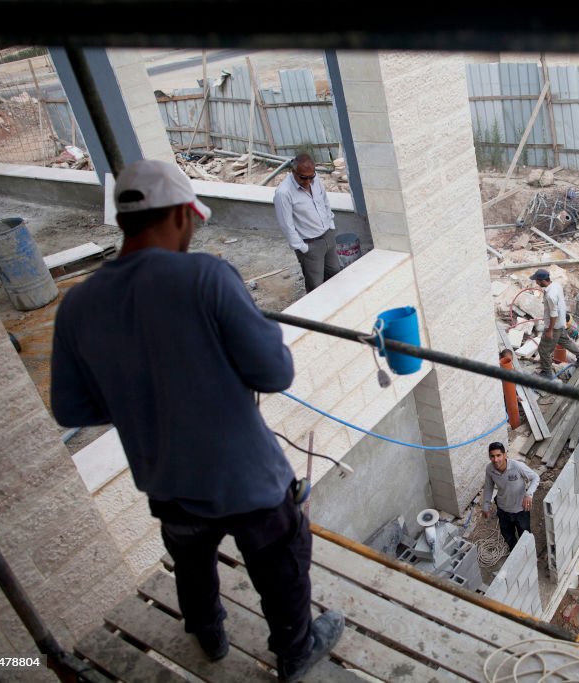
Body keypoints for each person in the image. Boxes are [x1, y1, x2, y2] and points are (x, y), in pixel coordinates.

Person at [51, 159, 343, 682]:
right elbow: (274, 371)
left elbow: (72, 410)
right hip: (248, 483)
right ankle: (295, 652)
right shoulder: (206, 276)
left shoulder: (77, 305)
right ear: (184, 214)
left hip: (168, 483)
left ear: (122, 222)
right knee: (280, 567)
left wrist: (139, 398)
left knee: (191, 563)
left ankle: (209, 636)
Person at [274, 153, 341, 293]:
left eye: (311, 177)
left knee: (335, 274)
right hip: (310, 244)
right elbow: (286, 226)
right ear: (293, 172)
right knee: (315, 284)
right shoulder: (283, 193)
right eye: (303, 178)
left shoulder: (315, 180)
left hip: (327, 236)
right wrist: (303, 248)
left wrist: (331, 225)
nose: (308, 182)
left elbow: (325, 202)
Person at [529, 269, 579, 379]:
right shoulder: (556, 285)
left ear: (542, 280)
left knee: (543, 350)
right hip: (561, 322)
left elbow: (553, 314)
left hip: (554, 326)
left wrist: (550, 330)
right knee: (565, 341)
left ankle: (547, 373)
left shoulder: (550, 295)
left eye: (537, 280)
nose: (536, 282)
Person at [481, 442, 540, 551]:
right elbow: (489, 487)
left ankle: (529, 554)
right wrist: (485, 505)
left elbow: (535, 477)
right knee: (508, 536)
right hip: (503, 509)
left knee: (525, 535)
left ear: (505, 455)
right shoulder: (490, 469)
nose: (496, 459)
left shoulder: (516, 466)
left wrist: (529, 494)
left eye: (498, 455)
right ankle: (515, 555)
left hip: (521, 509)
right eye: (492, 456)